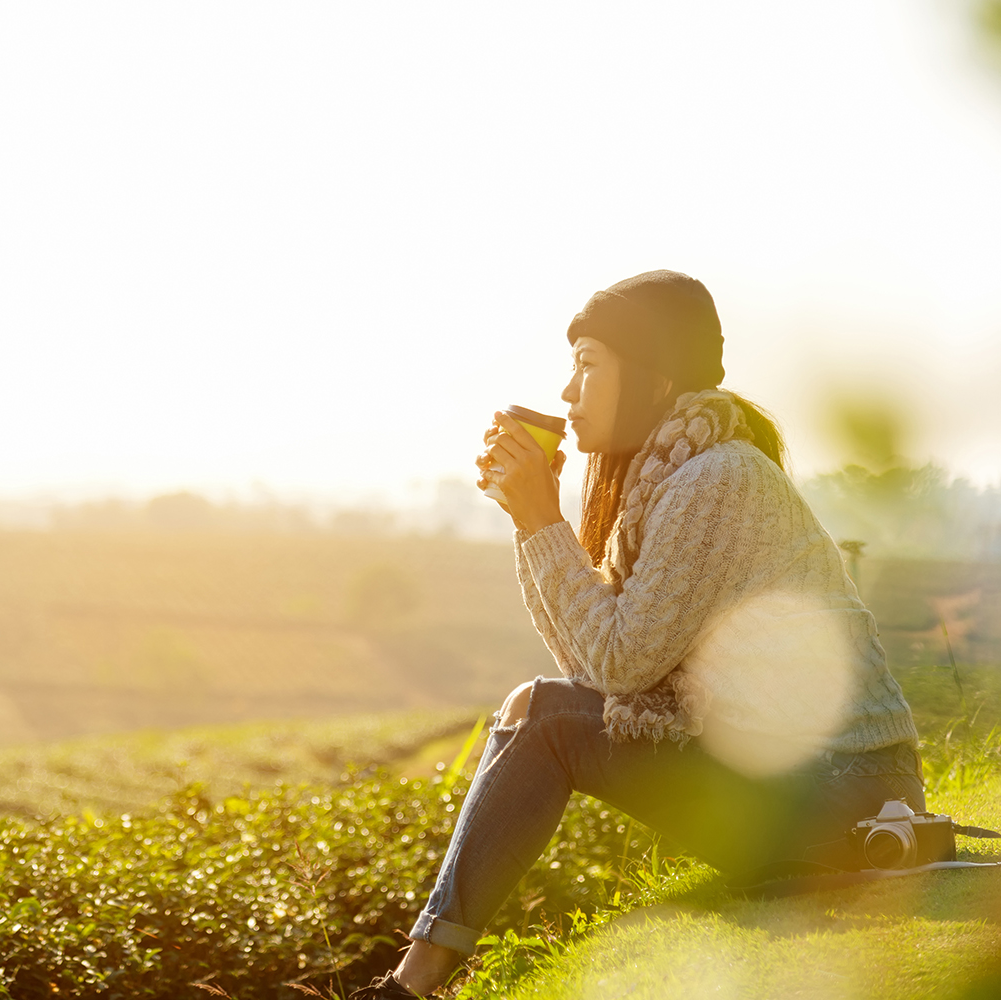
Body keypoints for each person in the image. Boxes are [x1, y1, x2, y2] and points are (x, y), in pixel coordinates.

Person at [350, 270, 922, 999]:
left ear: (654, 377)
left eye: (589, 365)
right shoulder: (675, 477)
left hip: (849, 801)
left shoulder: (718, 477)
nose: (567, 392)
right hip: (806, 790)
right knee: (539, 706)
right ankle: (417, 977)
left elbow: (619, 665)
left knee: (548, 721)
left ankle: (412, 984)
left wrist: (540, 522)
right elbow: (595, 666)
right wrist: (533, 525)